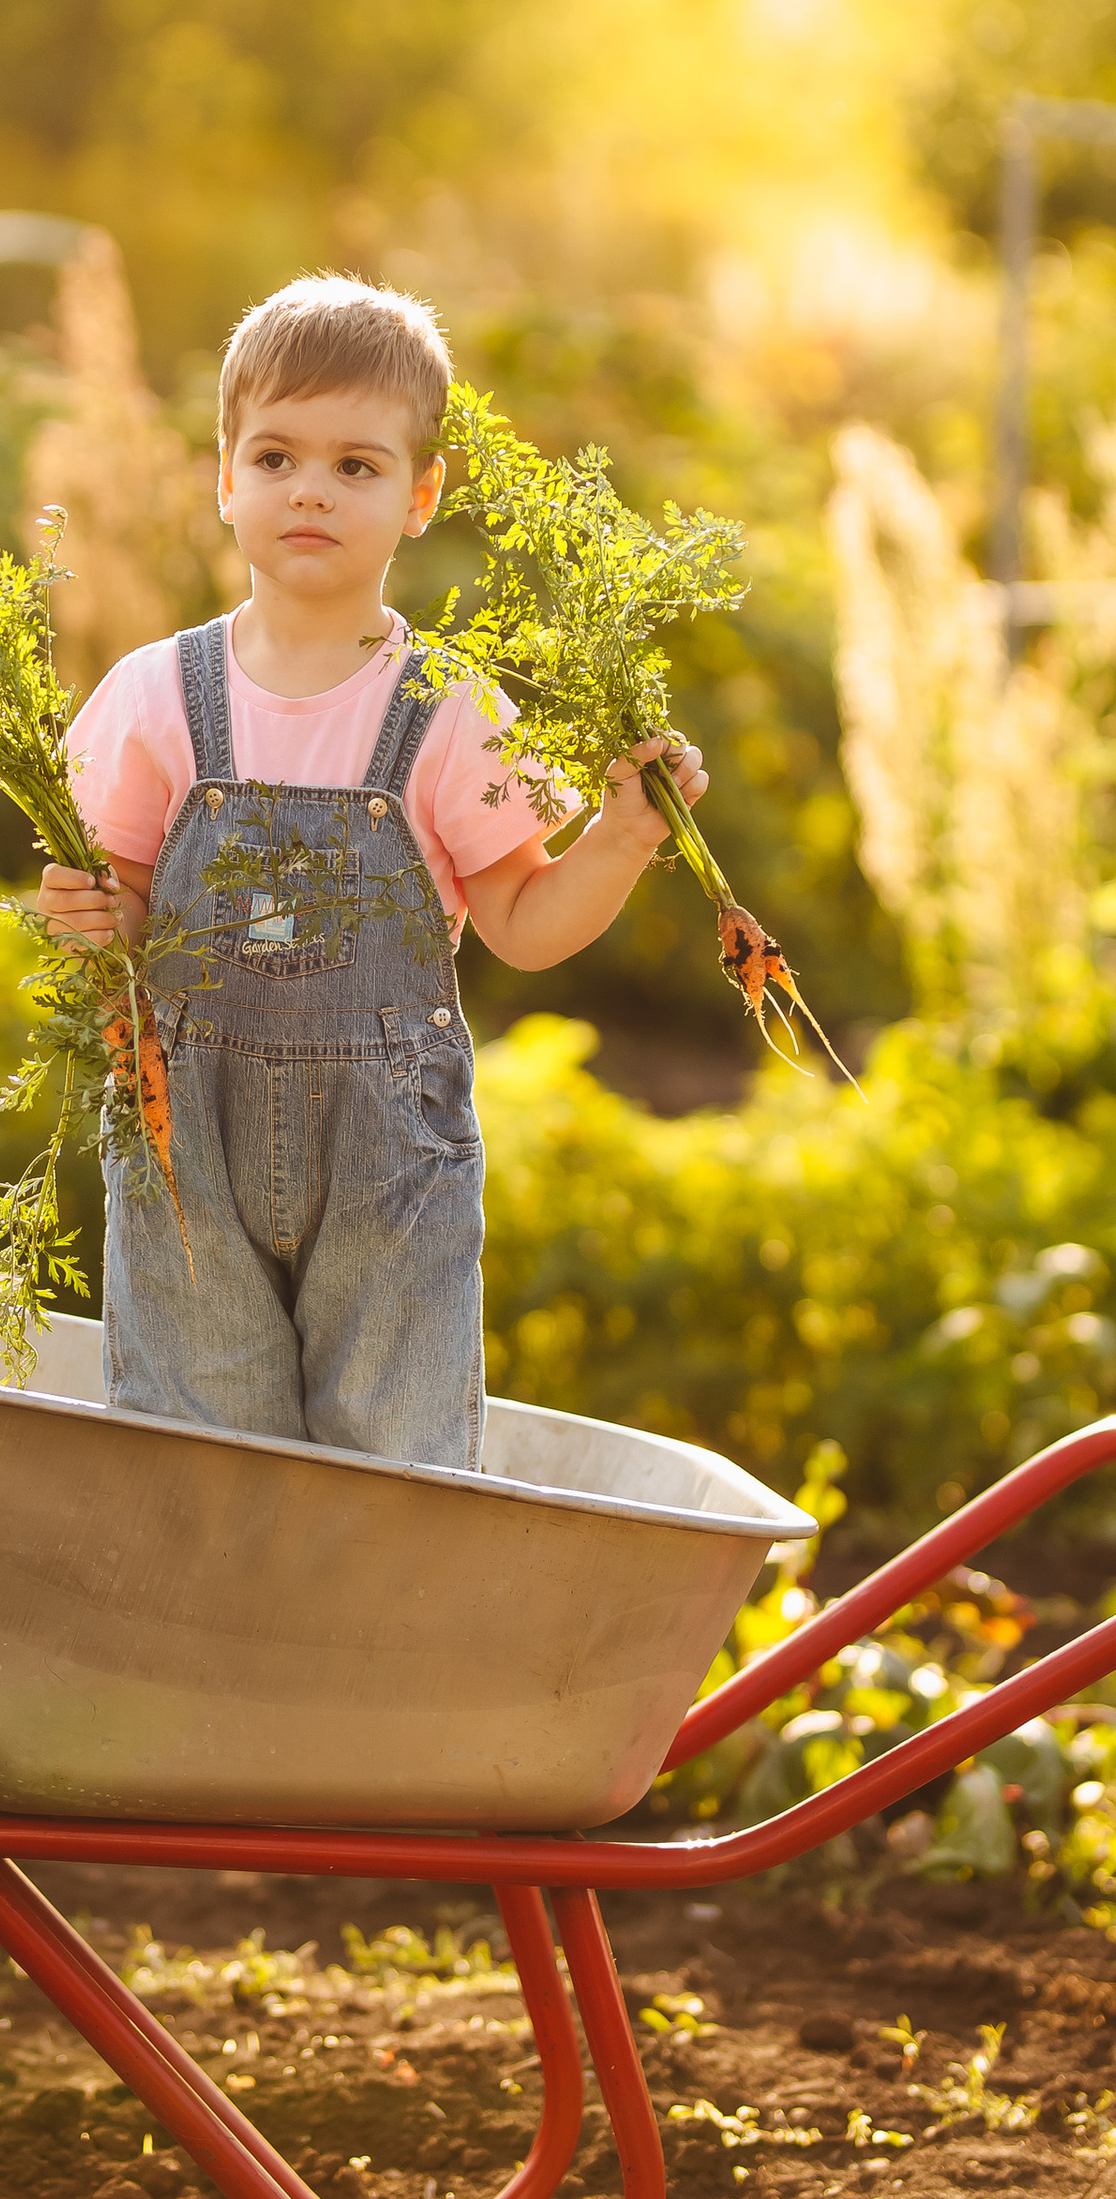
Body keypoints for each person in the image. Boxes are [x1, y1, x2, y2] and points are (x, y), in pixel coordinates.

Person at [37, 271, 707, 1475]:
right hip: (182, 1140)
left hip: (386, 1175)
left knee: (389, 1462)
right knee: (201, 1459)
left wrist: (623, 835)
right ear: (224, 479)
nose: (311, 488)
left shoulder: (448, 707)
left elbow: (520, 923)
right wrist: (90, 917)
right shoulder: (155, 696)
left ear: (419, 496)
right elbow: (125, 914)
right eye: (278, 455)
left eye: (358, 465)